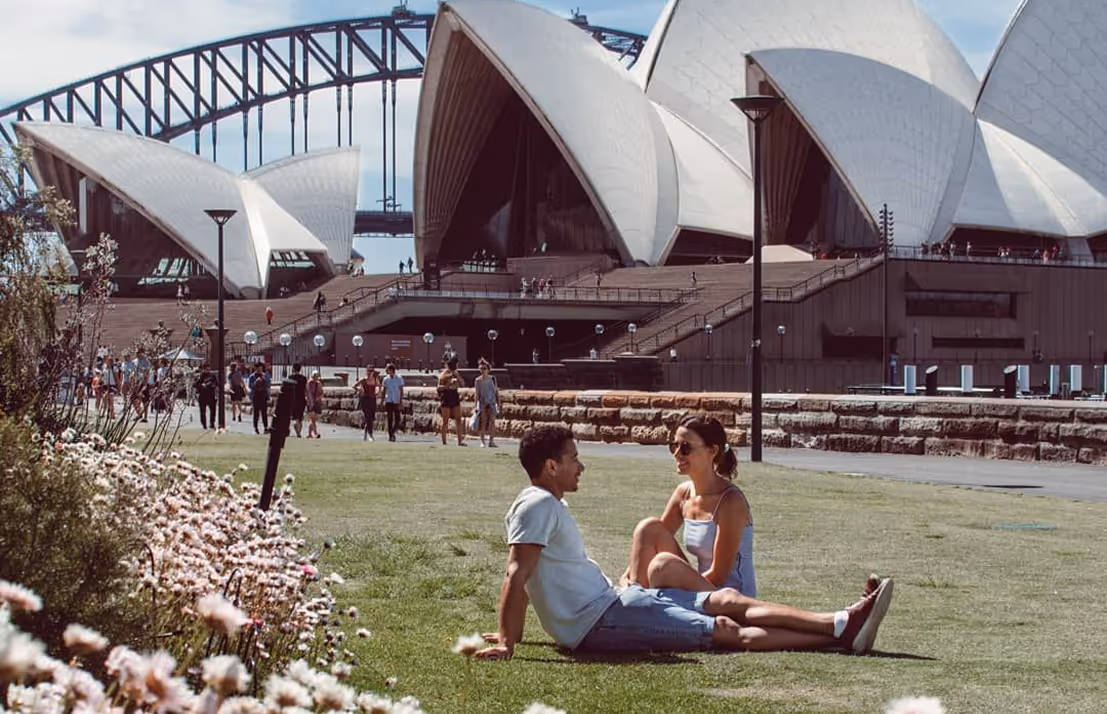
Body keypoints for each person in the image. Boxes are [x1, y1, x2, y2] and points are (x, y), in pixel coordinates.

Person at [474, 425, 893, 660]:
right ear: (551, 466)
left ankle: (840, 624)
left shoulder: (535, 504)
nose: (580, 466)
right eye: (573, 458)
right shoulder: (539, 506)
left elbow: (527, 579)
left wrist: (508, 632)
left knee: (724, 612)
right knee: (728, 630)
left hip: (617, 607)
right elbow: (518, 573)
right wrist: (509, 640)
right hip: (608, 617)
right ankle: (841, 631)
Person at [622, 415, 756, 597]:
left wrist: (676, 584)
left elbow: (718, 575)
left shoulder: (731, 501)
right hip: (699, 587)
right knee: (648, 528)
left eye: (685, 448)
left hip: (728, 597)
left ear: (712, 451)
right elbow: (653, 539)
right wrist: (626, 578)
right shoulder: (683, 494)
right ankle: (633, 599)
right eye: (673, 446)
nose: (677, 454)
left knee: (663, 567)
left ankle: (643, 605)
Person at [437, 355, 466, 446]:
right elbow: (439, 387)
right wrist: (447, 385)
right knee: (446, 420)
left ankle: (460, 441)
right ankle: (444, 441)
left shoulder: (456, 373)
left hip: (454, 395)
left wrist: (457, 376)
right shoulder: (443, 374)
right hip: (446, 396)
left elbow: (462, 384)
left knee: (458, 419)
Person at [474, 359, 499, 448]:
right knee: (483, 422)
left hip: (492, 402)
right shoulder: (478, 380)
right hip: (483, 402)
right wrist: (475, 406)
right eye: (481, 369)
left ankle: (491, 441)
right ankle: (482, 441)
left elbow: (496, 392)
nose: (482, 371)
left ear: (488, 369)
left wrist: (498, 403)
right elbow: (477, 394)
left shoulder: (492, 379)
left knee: (492, 421)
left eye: (484, 368)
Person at [353, 368, 380, 441]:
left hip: (373, 399)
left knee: (372, 417)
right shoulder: (363, 379)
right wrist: (360, 390)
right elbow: (354, 386)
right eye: (368, 371)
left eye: (371, 371)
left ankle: (365, 430)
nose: (369, 373)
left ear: (373, 372)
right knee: (367, 416)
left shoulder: (375, 379)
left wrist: (377, 392)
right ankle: (370, 435)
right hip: (365, 399)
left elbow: (379, 386)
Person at [381, 363, 404, 442]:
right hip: (389, 401)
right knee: (389, 419)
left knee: (398, 419)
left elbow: (401, 390)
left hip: (396, 401)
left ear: (391, 370)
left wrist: (401, 401)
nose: (386, 370)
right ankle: (390, 436)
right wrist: (382, 401)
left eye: (387, 369)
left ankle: (393, 432)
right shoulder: (385, 379)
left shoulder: (399, 378)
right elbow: (383, 391)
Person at [194, 363, 218, 429]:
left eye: (209, 369)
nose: (208, 370)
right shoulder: (201, 376)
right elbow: (195, 385)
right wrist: (201, 385)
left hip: (211, 395)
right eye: (206, 369)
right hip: (203, 396)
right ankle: (204, 424)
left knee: (213, 410)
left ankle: (212, 423)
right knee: (202, 411)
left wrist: (214, 385)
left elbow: (216, 383)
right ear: (203, 369)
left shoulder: (213, 376)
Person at [248, 363, 270, 434]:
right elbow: (250, 386)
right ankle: (255, 427)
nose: (260, 370)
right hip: (255, 396)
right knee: (256, 413)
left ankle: (265, 427)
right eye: (258, 369)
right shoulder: (252, 376)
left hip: (263, 395)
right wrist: (256, 382)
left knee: (264, 413)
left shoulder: (265, 375)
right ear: (255, 369)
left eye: (261, 369)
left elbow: (268, 384)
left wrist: (263, 380)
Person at [289, 364, 308, 438]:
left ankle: (298, 433)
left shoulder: (290, 377)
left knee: (294, 417)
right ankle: (298, 433)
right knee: (300, 417)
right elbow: (306, 389)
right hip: (301, 399)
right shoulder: (303, 378)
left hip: (293, 399)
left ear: (293, 368)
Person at [306, 370, 324, 439]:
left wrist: (318, 398)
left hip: (317, 403)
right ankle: (316, 433)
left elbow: (322, 393)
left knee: (313, 419)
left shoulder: (318, 383)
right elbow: (308, 393)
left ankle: (309, 434)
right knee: (312, 418)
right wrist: (311, 402)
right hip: (310, 402)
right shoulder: (309, 383)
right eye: (315, 376)